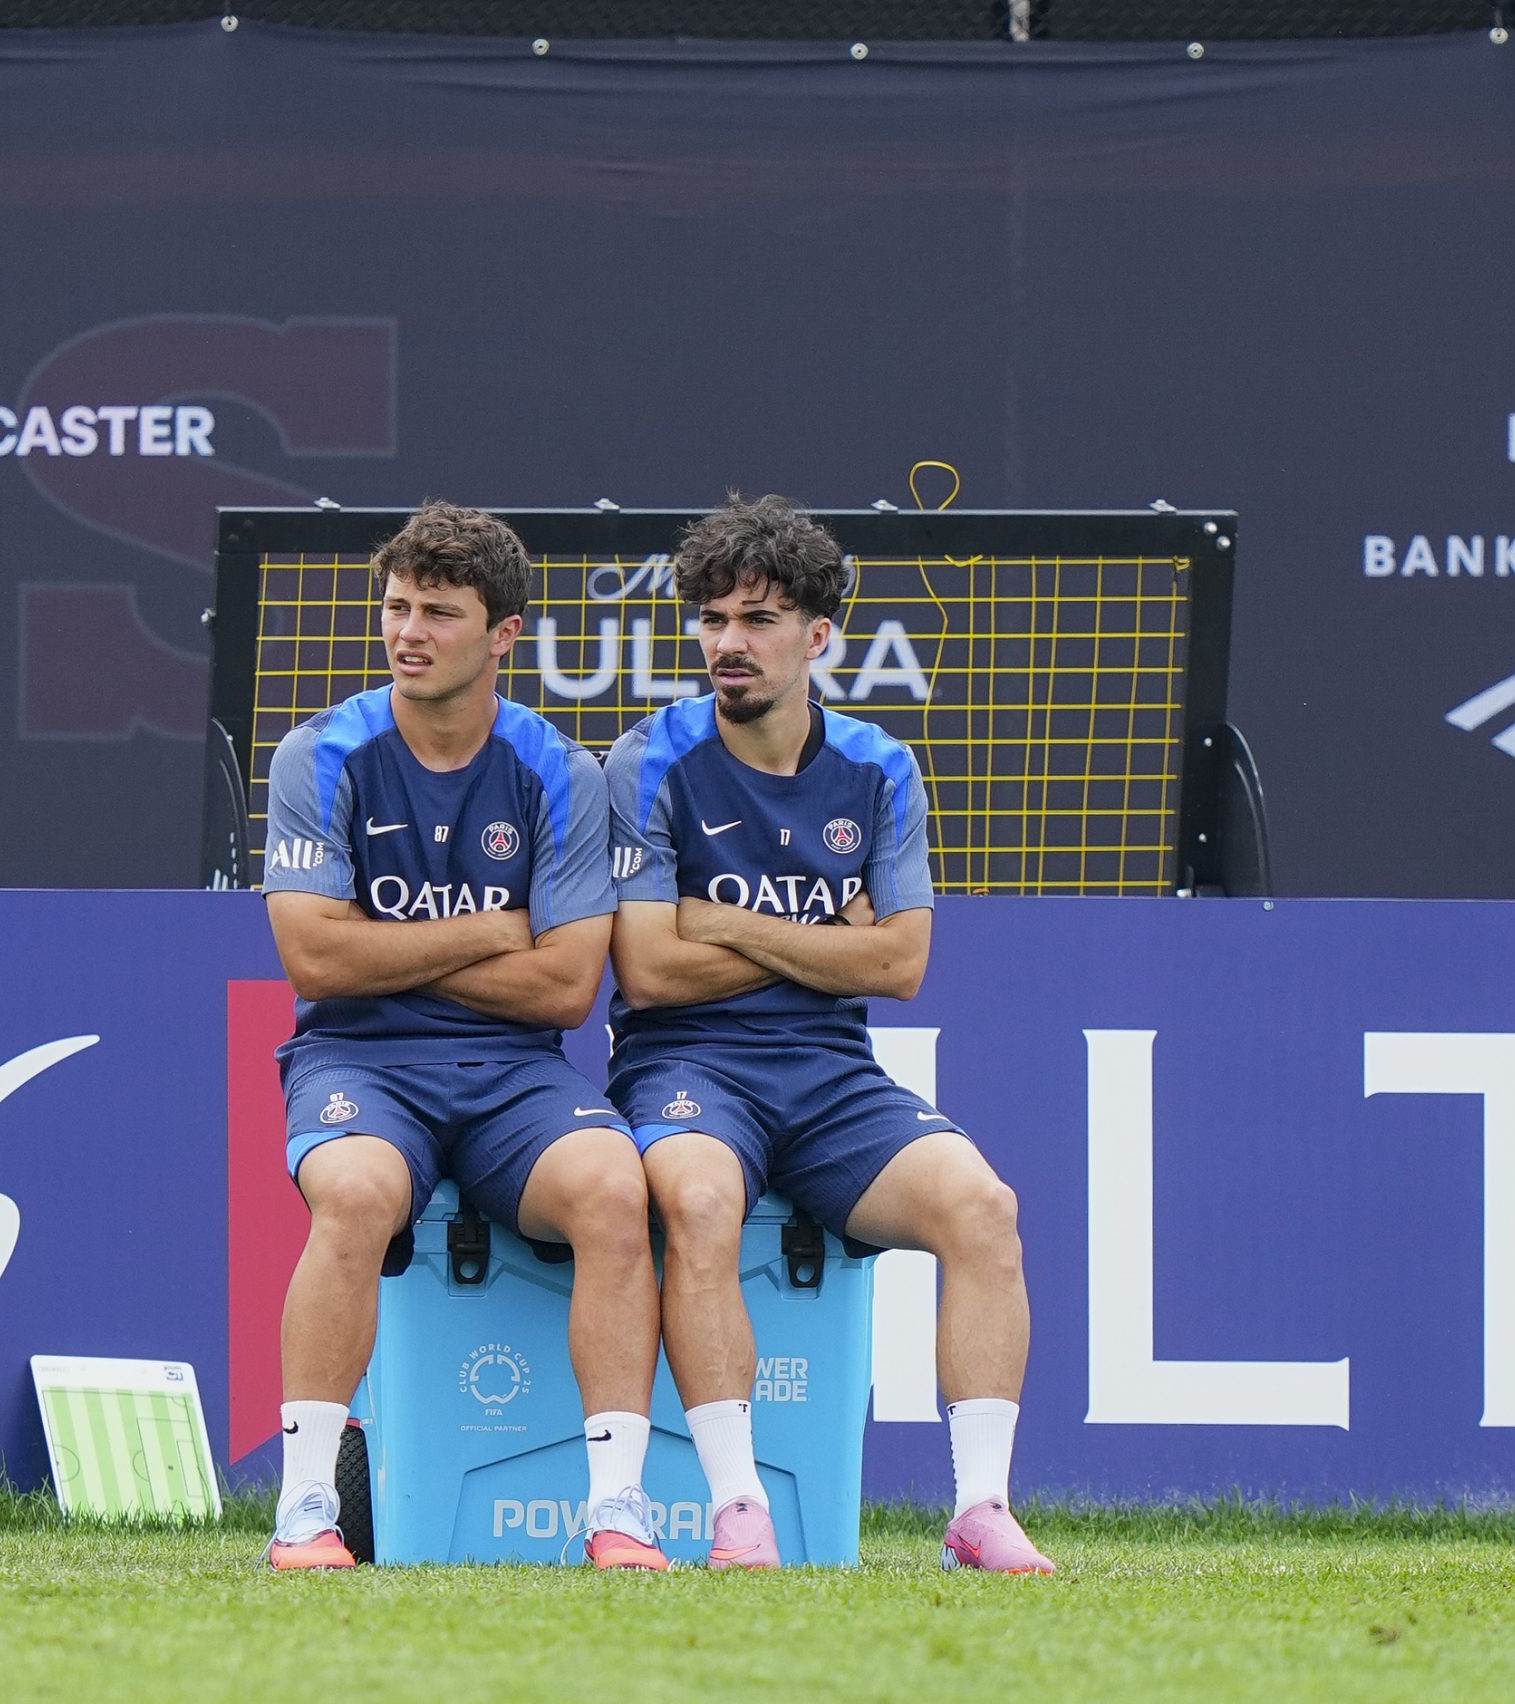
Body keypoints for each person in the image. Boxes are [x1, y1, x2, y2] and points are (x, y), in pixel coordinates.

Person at [604, 494, 1051, 1574]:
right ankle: (739, 1507)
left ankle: (979, 1510)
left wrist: (720, 917)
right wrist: (818, 932)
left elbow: (899, 965)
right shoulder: (645, 761)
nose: (727, 645)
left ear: (818, 637)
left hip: (830, 1078)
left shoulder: (878, 768)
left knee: (983, 1208)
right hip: (684, 1066)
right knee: (701, 1203)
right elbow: (649, 970)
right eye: (710, 621)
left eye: (755, 620)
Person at [259, 501, 664, 1572]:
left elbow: (569, 987)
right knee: (351, 1195)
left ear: (501, 636)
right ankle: (305, 1511)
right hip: (357, 1059)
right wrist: (490, 926)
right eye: (396, 607)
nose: (409, 631)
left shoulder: (558, 774)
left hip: (513, 1078)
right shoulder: (321, 756)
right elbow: (316, 962)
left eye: (439, 611)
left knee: (617, 1192)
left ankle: (618, 1510)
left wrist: (387, 939)